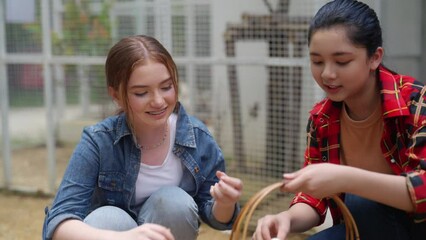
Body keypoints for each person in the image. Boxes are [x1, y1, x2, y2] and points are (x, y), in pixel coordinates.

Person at [253, 0, 426, 239]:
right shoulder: (322, 118)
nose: (327, 74)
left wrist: (345, 178)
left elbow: (423, 190)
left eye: (342, 61)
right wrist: (286, 219)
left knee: (360, 200)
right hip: (364, 230)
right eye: (317, 61)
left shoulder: (417, 102)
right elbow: (314, 198)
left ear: (374, 58)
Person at [42, 34, 243, 240]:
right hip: (115, 233)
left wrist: (225, 203)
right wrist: (121, 238)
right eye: (141, 93)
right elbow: (59, 222)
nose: (158, 101)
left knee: (174, 203)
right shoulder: (99, 141)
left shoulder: (196, 136)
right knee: (107, 219)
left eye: (166, 87)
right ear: (116, 96)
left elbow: (217, 218)